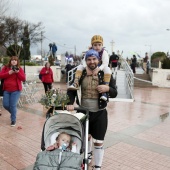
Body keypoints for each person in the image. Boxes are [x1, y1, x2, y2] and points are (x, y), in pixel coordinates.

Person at [66, 49, 118, 170]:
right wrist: (69, 103)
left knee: (98, 141)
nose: (92, 61)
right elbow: (71, 90)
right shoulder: (80, 73)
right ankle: (87, 157)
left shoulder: (105, 74)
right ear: (86, 61)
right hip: (82, 112)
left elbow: (115, 92)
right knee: (85, 138)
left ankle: (98, 166)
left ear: (98, 60)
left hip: (100, 113)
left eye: (94, 59)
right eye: (89, 59)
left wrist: (107, 89)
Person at [68, 35, 111, 101]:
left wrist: (98, 69)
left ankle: (104, 91)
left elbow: (105, 63)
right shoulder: (88, 52)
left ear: (102, 45)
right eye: (95, 45)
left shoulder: (104, 52)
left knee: (107, 69)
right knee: (80, 66)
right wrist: (86, 68)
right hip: (84, 105)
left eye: (99, 45)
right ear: (92, 45)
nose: (97, 47)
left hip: (101, 67)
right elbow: (84, 61)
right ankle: (75, 83)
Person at [0, 56, 26, 126]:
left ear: (17, 62)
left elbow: (23, 78)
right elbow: (1, 75)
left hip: (16, 90)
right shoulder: (5, 68)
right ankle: (13, 113)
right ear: (10, 61)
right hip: (6, 90)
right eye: (12, 60)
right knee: (5, 105)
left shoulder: (19, 69)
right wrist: (9, 73)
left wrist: (17, 72)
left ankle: (13, 120)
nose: (14, 61)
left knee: (13, 105)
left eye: (15, 60)